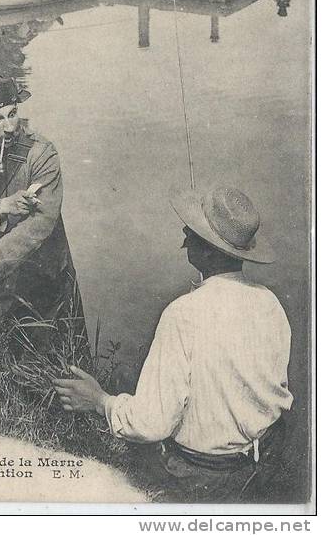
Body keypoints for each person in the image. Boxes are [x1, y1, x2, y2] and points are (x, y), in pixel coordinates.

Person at [54, 186, 293, 502]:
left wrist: (99, 401)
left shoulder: (183, 314)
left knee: (127, 398)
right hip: (265, 462)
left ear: (207, 250)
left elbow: (152, 424)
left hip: (207, 478)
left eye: (193, 231)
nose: (184, 230)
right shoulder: (270, 303)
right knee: (129, 377)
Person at [0, 70, 88, 355]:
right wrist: (2, 207)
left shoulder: (42, 152)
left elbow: (43, 222)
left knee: (53, 360)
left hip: (42, 267)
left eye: (12, 114)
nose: (9, 127)